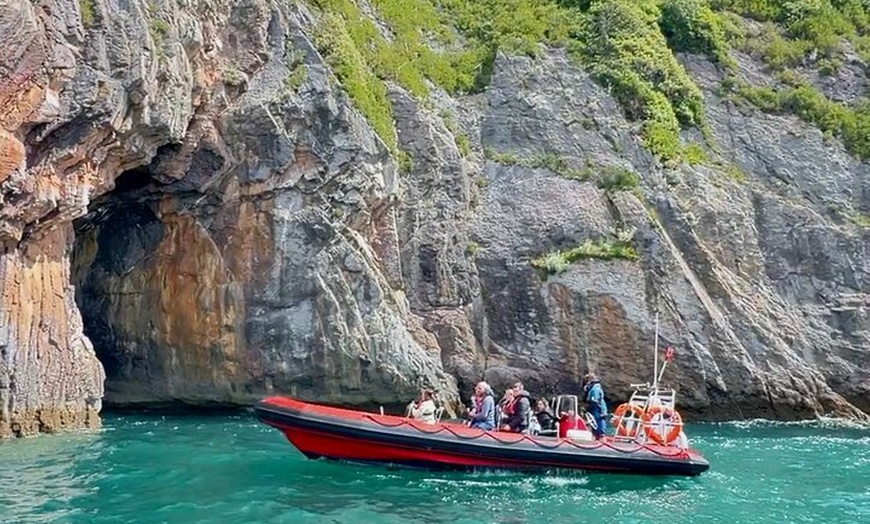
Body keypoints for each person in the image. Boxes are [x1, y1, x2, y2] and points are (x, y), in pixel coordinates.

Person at [583, 372, 608, 439]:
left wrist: (588, 408)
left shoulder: (595, 389)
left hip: (598, 409)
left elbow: (594, 400)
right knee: (594, 422)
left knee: (599, 421)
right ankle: (596, 435)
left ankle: (601, 436)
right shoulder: (592, 388)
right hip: (594, 409)